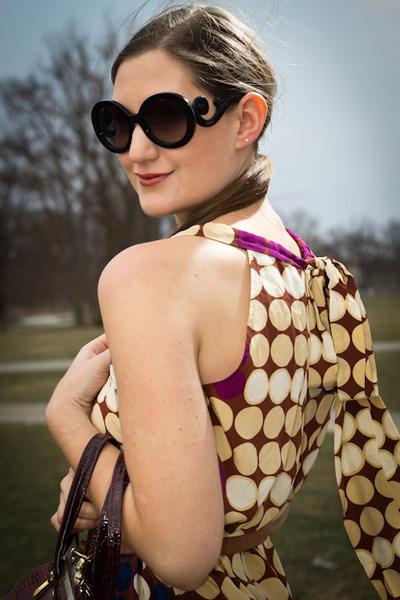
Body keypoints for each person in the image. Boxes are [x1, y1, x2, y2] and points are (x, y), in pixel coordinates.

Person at [46, 4, 400, 599]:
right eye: (117, 124)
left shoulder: (150, 275)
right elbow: (243, 500)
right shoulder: (309, 275)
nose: (136, 151)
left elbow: (180, 553)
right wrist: (112, 488)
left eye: (165, 117)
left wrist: (69, 422)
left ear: (245, 121)